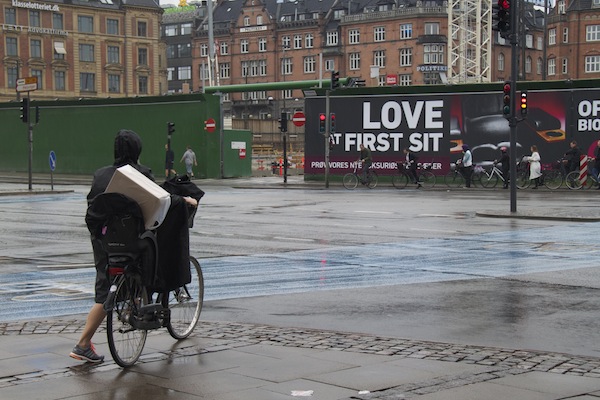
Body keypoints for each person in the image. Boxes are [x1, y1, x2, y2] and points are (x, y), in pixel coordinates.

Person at [70, 130, 198, 363]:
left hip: (104, 241)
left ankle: (84, 343)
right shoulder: (141, 173)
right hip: (133, 242)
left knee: (103, 292)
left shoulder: (100, 175)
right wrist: (186, 201)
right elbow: (161, 199)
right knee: (153, 256)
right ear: (137, 150)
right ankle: (140, 300)